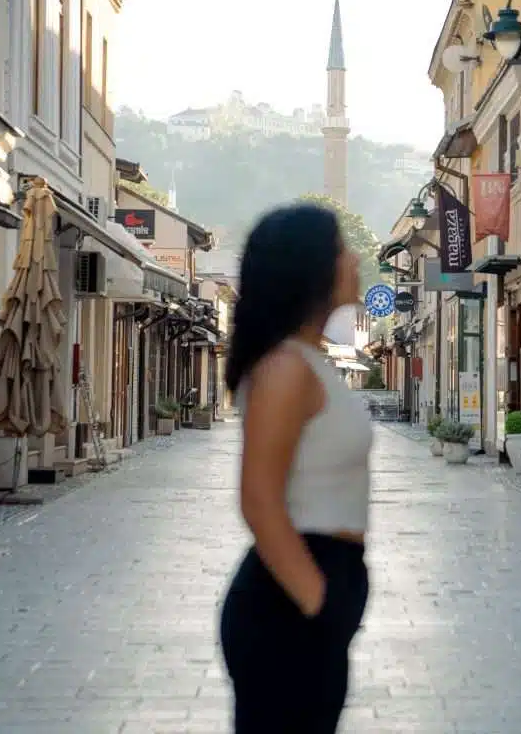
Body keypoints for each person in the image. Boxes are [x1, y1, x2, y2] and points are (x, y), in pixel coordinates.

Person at [219, 202, 373, 733]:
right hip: (288, 604)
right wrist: (319, 602)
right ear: (313, 268)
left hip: (319, 591)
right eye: (341, 250)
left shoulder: (311, 360)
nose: (355, 259)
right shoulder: (287, 368)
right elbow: (259, 500)